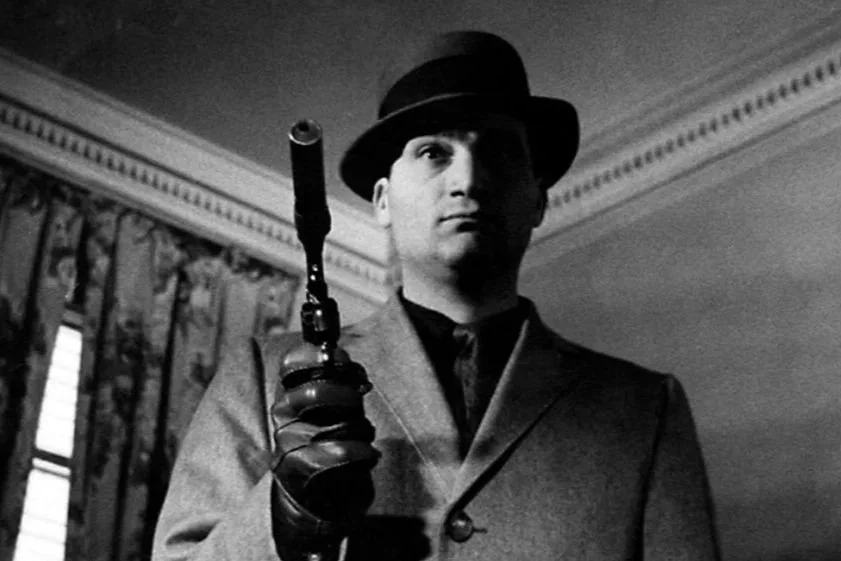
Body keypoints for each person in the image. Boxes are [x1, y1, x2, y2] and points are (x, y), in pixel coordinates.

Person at [152, 30, 721, 561]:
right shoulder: (262, 375)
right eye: (433, 153)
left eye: (498, 151)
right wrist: (286, 517)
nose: (467, 180)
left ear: (538, 200)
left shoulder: (646, 410)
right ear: (382, 201)